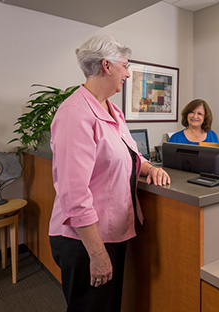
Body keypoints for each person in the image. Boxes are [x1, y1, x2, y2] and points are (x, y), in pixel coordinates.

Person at [49, 34, 170, 312]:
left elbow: (130, 153)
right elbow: (74, 193)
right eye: (125, 66)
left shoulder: (113, 110)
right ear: (106, 65)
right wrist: (97, 253)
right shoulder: (75, 113)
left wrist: (149, 167)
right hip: (84, 240)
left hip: (112, 233)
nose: (127, 73)